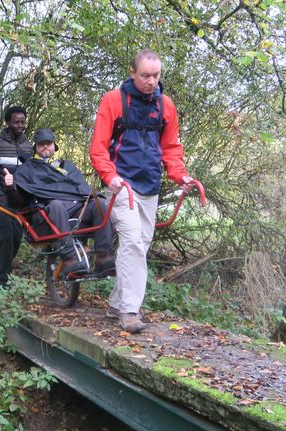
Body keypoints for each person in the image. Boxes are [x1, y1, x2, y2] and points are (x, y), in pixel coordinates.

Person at [90, 49, 194, 333]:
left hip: (150, 185)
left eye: (156, 75)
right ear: (133, 73)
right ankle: (129, 311)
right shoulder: (113, 101)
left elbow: (171, 149)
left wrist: (180, 176)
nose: (151, 81)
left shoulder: (166, 106)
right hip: (121, 184)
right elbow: (98, 147)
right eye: (146, 75)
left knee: (139, 247)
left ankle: (115, 303)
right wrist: (109, 177)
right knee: (134, 244)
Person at [5, 128, 115, 277]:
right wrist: (11, 187)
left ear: (54, 146)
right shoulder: (27, 169)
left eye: (48, 144)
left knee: (100, 204)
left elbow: (83, 190)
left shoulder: (66, 166)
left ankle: (104, 258)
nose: (45, 147)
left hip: (77, 211)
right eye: (41, 144)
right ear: (35, 147)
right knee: (56, 205)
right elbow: (18, 202)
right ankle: (70, 259)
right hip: (48, 214)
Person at [0, 106, 34, 287]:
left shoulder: (28, 146)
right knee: (7, 238)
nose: (20, 125)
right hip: (0, 200)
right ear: (8, 122)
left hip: (19, 202)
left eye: (22, 122)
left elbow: (31, 173)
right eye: (16, 122)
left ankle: (0, 274)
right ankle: (2, 279)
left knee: (17, 239)